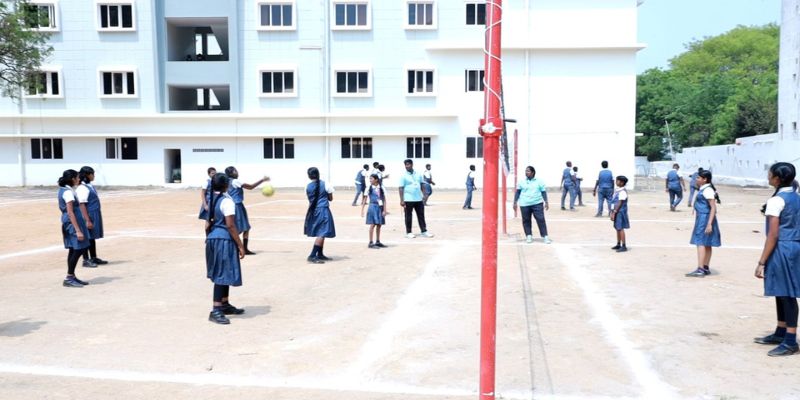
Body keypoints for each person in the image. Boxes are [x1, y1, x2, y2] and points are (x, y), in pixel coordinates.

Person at [754, 162, 800, 356]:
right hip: (794, 246)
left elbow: (773, 235)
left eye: (770, 173)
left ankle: (790, 340)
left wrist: (761, 262)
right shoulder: (796, 197)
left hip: (782, 247)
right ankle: (781, 331)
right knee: (782, 291)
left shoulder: (777, 200)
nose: (768, 176)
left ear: (777, 179)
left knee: (787, 294)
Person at [205, 173, 246, 325]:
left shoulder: (211, 198)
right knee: (222, 274)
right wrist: (240, 245)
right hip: (223, 239)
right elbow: (230, 225)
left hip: (213, 238)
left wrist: (209, 238)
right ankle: (216, 310)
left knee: (224, 272)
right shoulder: (227, 201)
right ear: (226, 185)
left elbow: (207, 224)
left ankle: (224, 304)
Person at [224, 166, 269, 255]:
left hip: (232, 205)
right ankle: (242, 248)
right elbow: (251, 187)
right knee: (242, 228)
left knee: (241, 227)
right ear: (231, 173)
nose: (237, 172)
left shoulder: (226, 182)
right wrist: (262, 180)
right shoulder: (235, 181)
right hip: (237, 206)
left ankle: (239, 248)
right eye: (235, 171)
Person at [57, 169, 91, 288]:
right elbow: (70, 212)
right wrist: (78, 230)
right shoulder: (68, 192)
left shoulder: (65, 190)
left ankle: (71, 276)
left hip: (70, 221)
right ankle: (69, 277)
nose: (79, 179)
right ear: (72, 179)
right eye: (77, 177)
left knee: (73, 249)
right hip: (72, 223)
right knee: (79, 249)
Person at [685, 169, 722, 277]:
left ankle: (700, 268)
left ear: (704, 179)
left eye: (698, 177)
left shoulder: (707, 190)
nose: (696, 179)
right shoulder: (706, 188)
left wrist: (709, 223)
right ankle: (705, 267)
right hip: (705, 217)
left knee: (700, 242)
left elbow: (713, 207)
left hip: (704, 218)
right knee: (707, 243)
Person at [76, 166, 108, 268]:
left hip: (94, 213)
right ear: (87, 175)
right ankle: (85, 260)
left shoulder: (89, 186)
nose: (94, 176)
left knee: (91, 237)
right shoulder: (82, 188)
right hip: (88, 214)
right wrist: (87, 220)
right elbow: (82, 204)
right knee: (86, 237)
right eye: (92, 174)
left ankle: (93, 257)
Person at [304, 167, 336, 263]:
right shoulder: (325, 184)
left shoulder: (307, 186)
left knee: (321, 231)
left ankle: (320, 254)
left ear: (309, 176)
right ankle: (312, 255)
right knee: (322, 233)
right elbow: (330, 198)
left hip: (313, 210)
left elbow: (310, 199)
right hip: (323, 210)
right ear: (318, 174)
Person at [513, 166, 551, 244]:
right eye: (526, 171)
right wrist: (515, 202)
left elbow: (543, 192)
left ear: (533, 172)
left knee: (541, 219)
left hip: (537, 203)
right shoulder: (521, 182)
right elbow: (518, 192)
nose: (526, 172)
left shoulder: (539, 181)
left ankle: (545, 236)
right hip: (524, 204)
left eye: (528, 171)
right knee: (526, 220)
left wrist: (546, 202)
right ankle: (529, 235)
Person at [399, 159, 433, 238]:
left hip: (418, 199)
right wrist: (402, 200)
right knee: (408, 216)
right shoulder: (403, 176)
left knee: (421, 215)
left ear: (412, 164)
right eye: (406, 165)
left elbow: (422, 184)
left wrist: (424, 194)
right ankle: (409, 232)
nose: (407, 166)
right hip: (408, 199)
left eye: (408, 164)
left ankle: (424, 231)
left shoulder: (418, 174)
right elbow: (401, 188)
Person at [361, 174, 387, 248]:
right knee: (372, 224)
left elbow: (384, 199)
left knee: (379, 224)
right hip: (372, 207)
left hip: (380, 207)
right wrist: (362, 210)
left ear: (376, 180)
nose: (370, 180)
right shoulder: (368, 188)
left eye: (371, 179)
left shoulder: (381, 187)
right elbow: (365, 199)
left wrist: (384, 210)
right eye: (370, 179)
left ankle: (378, 241)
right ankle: (370, 242)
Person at [610, 175, 630, 253]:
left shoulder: (622, 192)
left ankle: (624, 245)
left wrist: (614, 212)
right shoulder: (618, 190)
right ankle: (618, 244)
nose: (616, 182)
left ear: (622, 182)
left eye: (617, 181)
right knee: (617, 228)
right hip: (616, 211)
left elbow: (620, 203)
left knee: (620, 228)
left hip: (620, 212)